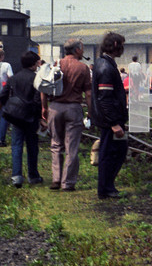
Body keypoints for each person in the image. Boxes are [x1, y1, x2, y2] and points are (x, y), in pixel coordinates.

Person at [43, 38, 92, 191]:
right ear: (77, 50)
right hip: (73, 107)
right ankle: (68, 183)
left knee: (56, 144)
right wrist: (90, 111)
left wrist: (44, 108)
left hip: (55, 107)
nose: (83, 51)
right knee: (71, 147)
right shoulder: (83, 68)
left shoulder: (56, 65)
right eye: (82, 48)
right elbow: (89, 93)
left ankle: (56, 179)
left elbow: (43, 88)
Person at [90, 32, 128, 200]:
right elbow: (105, 98)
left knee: (117, 150)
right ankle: (106, 189)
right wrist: (114, 123)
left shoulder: (103, 63)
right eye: (122, 44)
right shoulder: (106, 67)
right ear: (114, 45)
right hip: (110, 120)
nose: (123, 48)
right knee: (111, 153)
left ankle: (108, 186)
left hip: (111, 118)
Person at [0, 51, 46, 187]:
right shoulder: (36, 78)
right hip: (31, 117)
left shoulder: (14, 78)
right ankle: (33, 175)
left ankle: (16, 176)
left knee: (16, 145)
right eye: (37, 62)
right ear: (33, 64)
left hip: (16, 117)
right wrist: (40, 118)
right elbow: (38, 101)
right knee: (32, 146)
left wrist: (6, 107)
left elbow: (3, 95)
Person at [0, 50, 13, 146]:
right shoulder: (6, 65)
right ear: (2, 56)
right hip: (3, 94)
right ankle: (1, 140)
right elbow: (11, 78)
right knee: (3, 117)